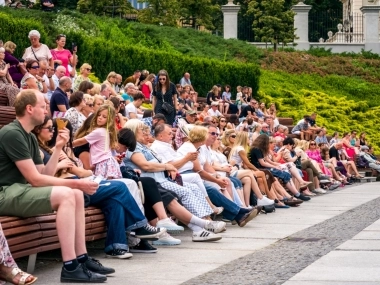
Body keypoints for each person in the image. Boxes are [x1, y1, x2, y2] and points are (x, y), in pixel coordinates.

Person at [0, 89, 115, 282]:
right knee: (69, 193)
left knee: (75, 194)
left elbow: (44, 174)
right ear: (29, 108)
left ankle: (81, 259)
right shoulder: (12, 133)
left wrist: (59, 147)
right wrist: (76, 184)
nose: (47, 111)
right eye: (43, 106)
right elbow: (35, 180)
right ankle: (70, 267)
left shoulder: (28, 136)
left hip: (19, 191)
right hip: (5, 192)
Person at [73, 105, 121, 179]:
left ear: (109, 120)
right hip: (106, 162)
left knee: (103, 184)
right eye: (99, 115)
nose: (100, 117)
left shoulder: (99, 132)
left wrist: (68, 143)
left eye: (104, 117)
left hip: (103, 163)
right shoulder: (105, 131)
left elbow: (81, 141)